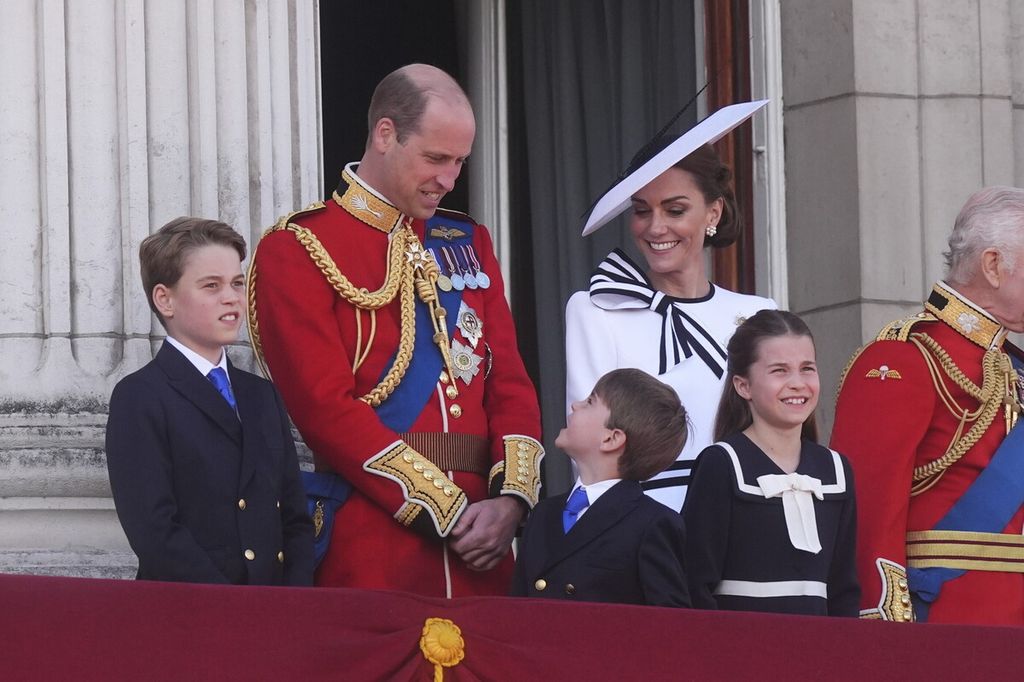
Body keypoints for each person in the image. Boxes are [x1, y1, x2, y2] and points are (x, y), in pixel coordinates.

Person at [248, 64, 544, 597]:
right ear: (385, 134)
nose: (450, 179)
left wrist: (511, 501)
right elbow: (325, 410)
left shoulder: (466, 240)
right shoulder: (297, 250)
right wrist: (446, 507)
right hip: (372, 545)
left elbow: (511, 384)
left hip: (488, 552)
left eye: (459, 162)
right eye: (435, 158)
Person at [568, 102, 776, 512]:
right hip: (642, 537)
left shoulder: (759, 314)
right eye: (642, 211)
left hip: (744, 525)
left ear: (712, 212)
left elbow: (779, 439)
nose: (655, 227)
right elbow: (591, 454)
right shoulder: (597, 310)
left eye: (675, 210)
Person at [830, 186, 1024, 625]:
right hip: (952, 628)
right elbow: (868, 514)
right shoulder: (903, 359)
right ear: (993, 265)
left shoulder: (1009, 367)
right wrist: (886, 637)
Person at [105, 217, 313, 585]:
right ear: (164, 299)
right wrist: (230, 607)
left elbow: (294, 516)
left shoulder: (261, 394)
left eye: (236, 283)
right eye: (211, 286)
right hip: (189, 615)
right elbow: (155, 532)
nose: (232, 297)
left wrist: (292, 600)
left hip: (274, 612)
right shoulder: (140, 396)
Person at [683, 310, 859, 616]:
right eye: (779, 371)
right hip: (741, 652)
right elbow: (694, 585)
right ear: (743, 386)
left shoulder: (835, 470)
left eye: (807, 369)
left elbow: (843, 589)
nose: (797, 383)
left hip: (817, 655)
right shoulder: (723, 464)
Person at [510, 368, 690, 607]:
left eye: (590, 402)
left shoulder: (653, 523)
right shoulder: (543, 514)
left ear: (611, 439)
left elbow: (671, 626)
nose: (575, 405)